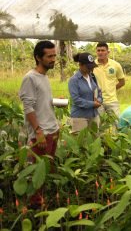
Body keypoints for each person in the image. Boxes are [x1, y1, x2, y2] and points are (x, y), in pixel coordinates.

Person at [18, 40, 59, 207]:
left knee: (46, 171)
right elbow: (28, 108)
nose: (53, 59)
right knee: (37, 173)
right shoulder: (30, 78)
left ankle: (43, 202)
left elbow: (41, 104)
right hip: (41, 135)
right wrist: (38, 132)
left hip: (52, 130)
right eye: (49, 56)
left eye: (54, 55)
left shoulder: (44, 76)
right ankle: (35, 208)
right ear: (38, 57)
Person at [68, 53, 103, 133]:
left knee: (94, 141)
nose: (90, 69)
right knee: (81, 142)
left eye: (92, 67)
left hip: (94, 115)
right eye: (88, 67)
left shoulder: (93, 77)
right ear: (81, 65)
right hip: (80, 116)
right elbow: (76, 100)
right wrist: (93, 104)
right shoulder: (74, 80)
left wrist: (99, 100)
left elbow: (99, 91)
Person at [93, 42, 125, 117]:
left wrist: (112, 89)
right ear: (96, 52)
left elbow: (122, 82)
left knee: (117, 124)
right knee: (98, 125)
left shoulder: (116, 65)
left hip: (112, 100)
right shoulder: (92, 65)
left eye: (103, 50)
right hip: (97, 101)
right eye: (98, 50)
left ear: (108, 52)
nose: (100, 52)